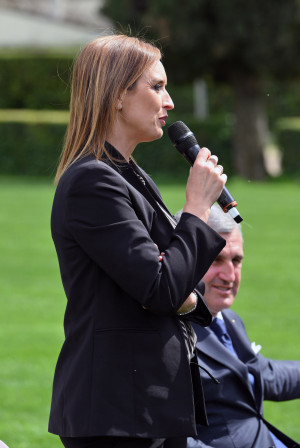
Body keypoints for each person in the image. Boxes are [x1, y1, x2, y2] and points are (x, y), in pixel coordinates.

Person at [48, 34, 228, 448]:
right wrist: (197, 208)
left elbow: (174, 281)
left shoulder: (129, 174)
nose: (170, 102)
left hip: (146, 407)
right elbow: (162, 287)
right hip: (116, 412)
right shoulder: (91, 181)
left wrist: (187, 294)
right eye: (157, 87)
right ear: (115, 95)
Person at [176, 205, 300, 448]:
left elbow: (263, 375)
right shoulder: (171, 335)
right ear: (185, 258)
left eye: (236, 260)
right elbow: (170, 437)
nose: (229, 275)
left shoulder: (228, 319)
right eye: (216, 260)